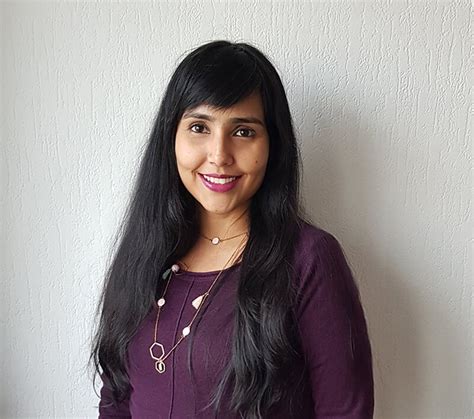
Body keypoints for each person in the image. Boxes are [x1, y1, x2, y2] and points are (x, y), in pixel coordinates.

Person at [90, 40, 374, 419]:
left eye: (243, 131)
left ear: (272, 144)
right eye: (199, 127)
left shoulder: (309, 260)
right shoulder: (143, 255)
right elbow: (116, 400)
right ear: (171, 137)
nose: (219, 155)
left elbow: (345, 412)